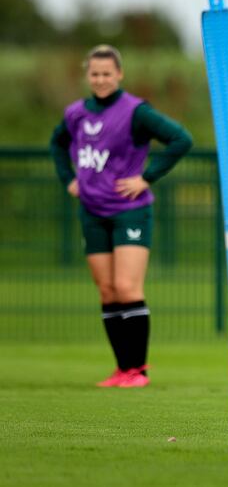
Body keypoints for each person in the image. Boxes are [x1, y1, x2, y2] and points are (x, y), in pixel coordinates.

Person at [50, 45, 192, 388]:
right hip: (92, 211)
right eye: (94, 74)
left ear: (119, 74)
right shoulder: (76, 113)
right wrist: (69, 179)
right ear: (88, 75)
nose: (100, 80)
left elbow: (180, 139)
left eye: (107, 74)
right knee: (108, 291)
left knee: (128, 287)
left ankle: (138, 370)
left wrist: (147, 177)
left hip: (130, 211)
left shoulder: (135, 111)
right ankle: (121, 370)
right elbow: (57, 143)